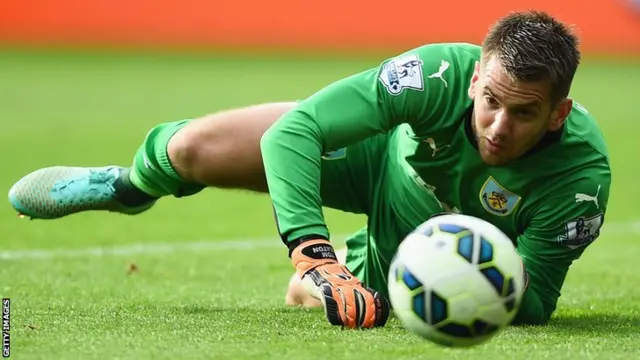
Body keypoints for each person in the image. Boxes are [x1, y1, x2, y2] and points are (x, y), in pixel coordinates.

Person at [8, 11, 611, 329]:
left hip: (423, 247)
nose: (499, 126)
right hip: (380, 163)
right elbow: (295, 131)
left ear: (557, 112)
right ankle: (128, 186)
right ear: (476, 79)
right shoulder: (435, 75)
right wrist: (311, 251)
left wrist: (454, 286)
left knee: (347, 305)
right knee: (192, 149)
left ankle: (353, 267)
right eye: (492, 102)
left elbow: (534, 302)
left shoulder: (581, 178)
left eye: (525, 113)